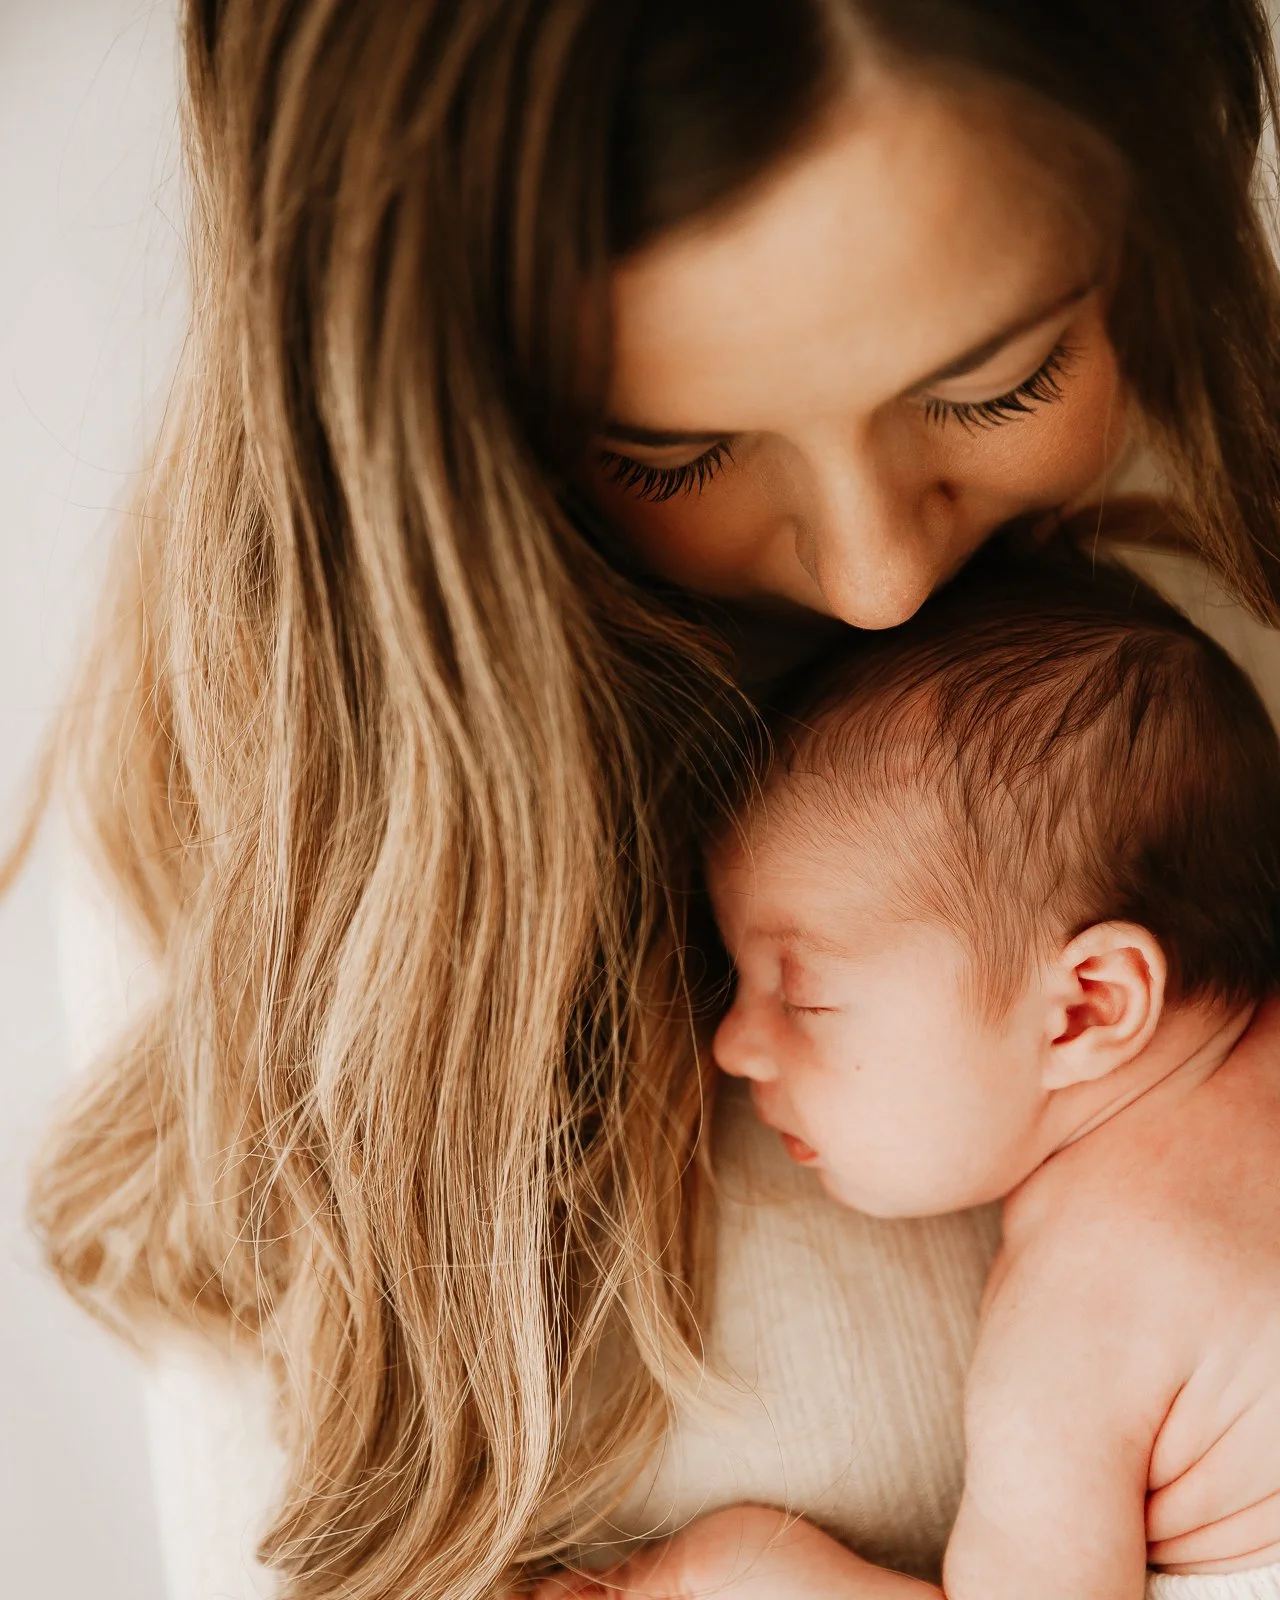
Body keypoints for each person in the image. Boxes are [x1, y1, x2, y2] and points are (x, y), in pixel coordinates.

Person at [22, 2, 1280, 1597]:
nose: (881, 577)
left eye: (1000, 382)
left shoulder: (1212, 559)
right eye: (676, 456)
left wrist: (741, 1567)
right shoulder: (275, 905)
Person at [694, 549, 1280, 1598]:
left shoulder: (1082, 1296)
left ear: (1085, 1006)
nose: (731, 1047)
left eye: (807, 999)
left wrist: (739, 1569)